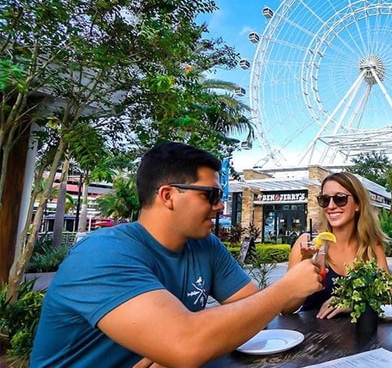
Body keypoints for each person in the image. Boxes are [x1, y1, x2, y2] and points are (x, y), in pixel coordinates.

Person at [30, 142, 323, 367]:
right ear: (168, 196)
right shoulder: (101, 254)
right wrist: (284, 288)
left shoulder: (204, 245)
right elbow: (187, 344)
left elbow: (251, 310)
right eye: (211, 195)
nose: (221, 206)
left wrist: (177, 343)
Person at [281, 171, 391, 318]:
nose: (331, 206)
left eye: (340, 199)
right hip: (313, 336)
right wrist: (304, 271)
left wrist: (352, 303)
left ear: (358, 204)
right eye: (324, 200)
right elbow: (286, 308)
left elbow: (389, 296)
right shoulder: (308, 243)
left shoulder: (371, 245)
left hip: (362, 336)